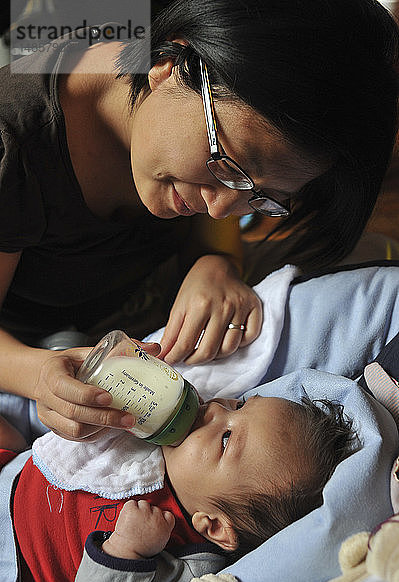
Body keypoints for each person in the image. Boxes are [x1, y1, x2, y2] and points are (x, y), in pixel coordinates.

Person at [0, 0, 397, 443]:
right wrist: (39, 375)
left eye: (263, 198)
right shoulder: (15, 144)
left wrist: (217, 261)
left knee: (374, 262)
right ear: (169, 67)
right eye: (227, 166)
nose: (220, 209)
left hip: (154, 301)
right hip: (40, 347)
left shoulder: (198, 108)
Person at [0, 391, 356, 582]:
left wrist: (126, 552)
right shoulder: (166, 435)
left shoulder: (192, 567)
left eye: (227, 437)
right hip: (14, 470)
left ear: (214, 526)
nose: (216, 408)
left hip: (13, 564)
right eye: (240, 403)